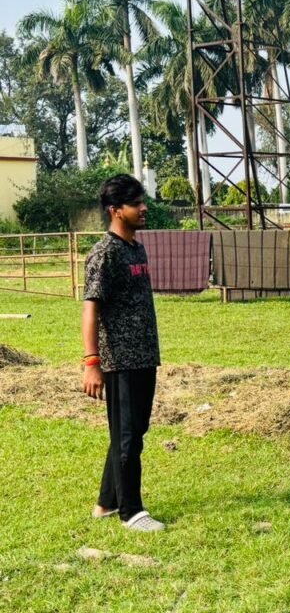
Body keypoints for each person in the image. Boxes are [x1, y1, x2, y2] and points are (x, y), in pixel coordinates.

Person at [81, 174, 164, 532]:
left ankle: (106, 503)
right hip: (120, 359)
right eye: (136, 203)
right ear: (116, 211)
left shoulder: (135, 248)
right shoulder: (105, 253)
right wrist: (92, 363)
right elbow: (90, 309)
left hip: (144, 355)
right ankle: (132, 511)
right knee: (128, 435)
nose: (144, 208)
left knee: (132, 431)